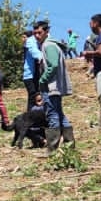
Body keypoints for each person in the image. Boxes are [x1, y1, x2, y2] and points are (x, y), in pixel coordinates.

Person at [34, 20, 74, 150]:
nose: (37, 35)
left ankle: (53, 148)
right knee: (59, 114)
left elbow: (53, 65)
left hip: (51, 86)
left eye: (39, 32)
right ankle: (69, 145)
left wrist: (42, 80)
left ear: (46, 32)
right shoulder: (51, 45)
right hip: (55, 86)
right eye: (35, 33)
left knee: (52, 115)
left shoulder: (48, 45)